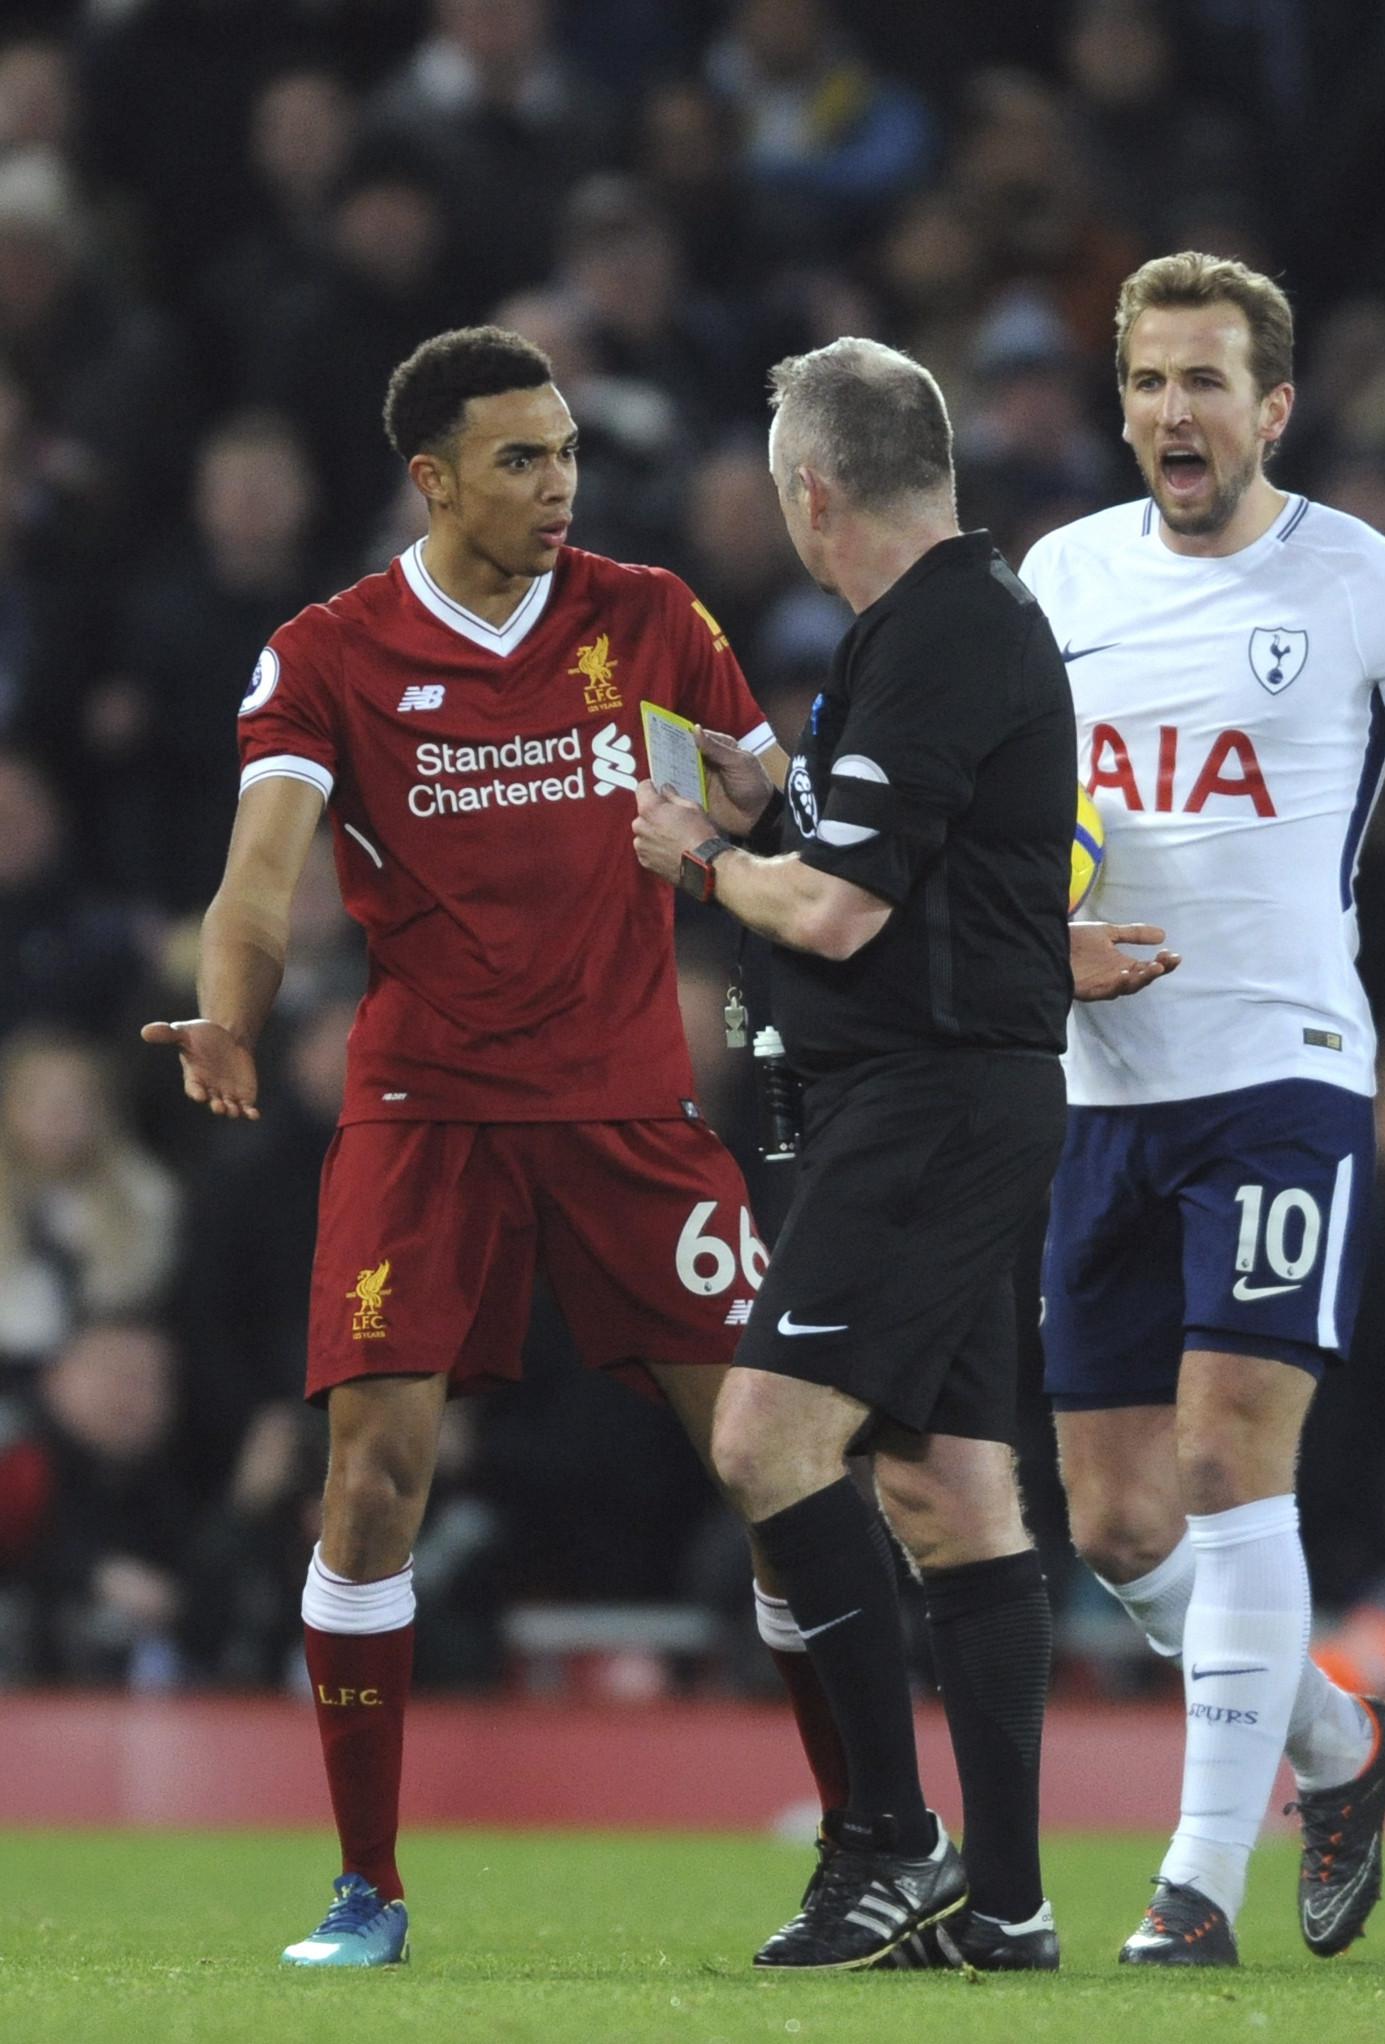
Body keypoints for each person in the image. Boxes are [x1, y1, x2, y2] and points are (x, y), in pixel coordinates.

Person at [141, 326, 828, 1970]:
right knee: (371, 1484)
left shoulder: (649, 616)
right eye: (519, 459)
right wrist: (228, 1013)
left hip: (628, 1113)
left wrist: (754, 810)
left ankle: (873, 1841)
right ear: (431, 479)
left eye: (567, 451)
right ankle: (367, 1886)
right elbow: (260, 869)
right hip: (427, 1109)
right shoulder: (332, 651)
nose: (558, 485)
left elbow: (751, 804)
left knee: (773, 1465)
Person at [1015, 252, 1385, 1968]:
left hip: (1282, 1079)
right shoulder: (1060, 575)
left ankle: (1195, 1889)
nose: (1172, 411)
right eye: (1148, 380)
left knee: (1231, 1465)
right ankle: (1340, 1741)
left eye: (1205, 382)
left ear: (1272, 408)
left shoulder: (1369, 586)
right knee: (1119, 1525)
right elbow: (1003, 819)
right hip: (1095, 1100)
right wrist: (1032, 933)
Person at [628, 336, 1077, 1974]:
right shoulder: (934, 625)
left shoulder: (943, 632)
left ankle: (888, 1838)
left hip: (927, 1110)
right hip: (937, 1098)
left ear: (812, 492)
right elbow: (894, 862)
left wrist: (697, 856)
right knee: (949, 1491)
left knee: (763, 1443)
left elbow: (835, 909)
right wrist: (770, 798)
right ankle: (1013, 1908)